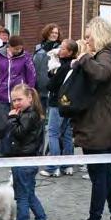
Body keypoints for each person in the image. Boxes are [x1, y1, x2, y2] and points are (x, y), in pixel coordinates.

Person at [66, 17, 111, 220]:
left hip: (100, 122)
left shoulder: (106, 54)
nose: (86, 39)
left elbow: (101, 73)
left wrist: (83, 58)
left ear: (99, 35)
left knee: (98, 176)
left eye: (89, 36)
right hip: (109, 119)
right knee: (105, 174)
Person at [3, 84, 51, 220]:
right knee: (29, 194)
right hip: (29, 159)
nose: (16, 103)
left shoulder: (26, 115)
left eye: (19, 99)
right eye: (14, 100)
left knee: (22, 196)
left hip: (23, 159)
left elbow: (19, 133)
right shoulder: (33, 114)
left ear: (29, 98)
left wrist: (11, 118)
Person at [41, 39, 77, 177]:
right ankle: (67, 165)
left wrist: (53, 75)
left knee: (53, 133)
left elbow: (51, 86)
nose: (60, 50)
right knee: (67, 134)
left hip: (57, 103)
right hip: (69, 103)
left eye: (63, 48)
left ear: (70, 52)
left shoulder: (64, 67)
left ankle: (52, 167)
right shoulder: (74, 65)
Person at [0, 35, 36, 112]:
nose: (19, 51)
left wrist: (28, 90)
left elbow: (31, 75)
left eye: (21, 48)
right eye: (16, 49)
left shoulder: (26, 56)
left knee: (19, 121)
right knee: (3, 121)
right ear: (9, 46)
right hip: (2, 95)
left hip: (20, 96)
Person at [32, 23, 61, 107]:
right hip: (37, 87)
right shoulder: (38, 48)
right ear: (47, 33)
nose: (54, 34)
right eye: (52, 32)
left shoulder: (60, 49)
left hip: (51, 88)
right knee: (39, 115)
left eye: (56, 33)